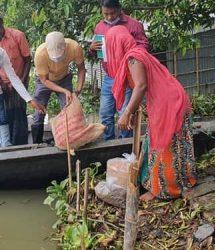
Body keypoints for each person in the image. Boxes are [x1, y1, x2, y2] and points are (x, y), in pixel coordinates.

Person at [105, 26, 197, 201]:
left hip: (168, 103)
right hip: (172, 98)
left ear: (116, 44)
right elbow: (143, 86)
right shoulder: (137, 53)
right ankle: (180, 181)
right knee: (170, 143)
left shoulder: (133, 58)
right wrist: (132, 113)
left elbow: (141, 86)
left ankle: (164, 190)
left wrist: (126, 113)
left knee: (163, 145)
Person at [89, 0, 149, 141]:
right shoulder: (99, 27)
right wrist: (91, 48)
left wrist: (127, 50)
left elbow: (143, 49)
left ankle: (125, 144)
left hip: (127, 77)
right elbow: (96, 52)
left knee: (125, 113)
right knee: (105, 113)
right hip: (109, 76)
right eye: (105, 14)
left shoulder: (133, 25)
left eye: (112, 13)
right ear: (101, 11)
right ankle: (108, 143)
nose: (109, 17)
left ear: (119, 9)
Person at [0, 11, 32, 145]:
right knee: (4, 114)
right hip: (0, 82)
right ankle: (5, 145)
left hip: (19, 79)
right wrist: (0, 81)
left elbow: (28, 59)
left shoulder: (18, 36)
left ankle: (21, 146)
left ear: (2, 23)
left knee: (19, 113)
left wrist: (21, 80)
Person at [31, 31, 86, 143]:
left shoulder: (75, 47)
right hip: (44, 81)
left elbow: (81, 68)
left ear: (65, 47)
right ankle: (37, 143)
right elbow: (44, 80)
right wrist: (64, 91)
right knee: (39, 109)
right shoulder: (40, 54)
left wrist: (79, 88)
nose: (56, 59)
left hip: (64, 78)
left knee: (68, 107)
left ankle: (69, 140)